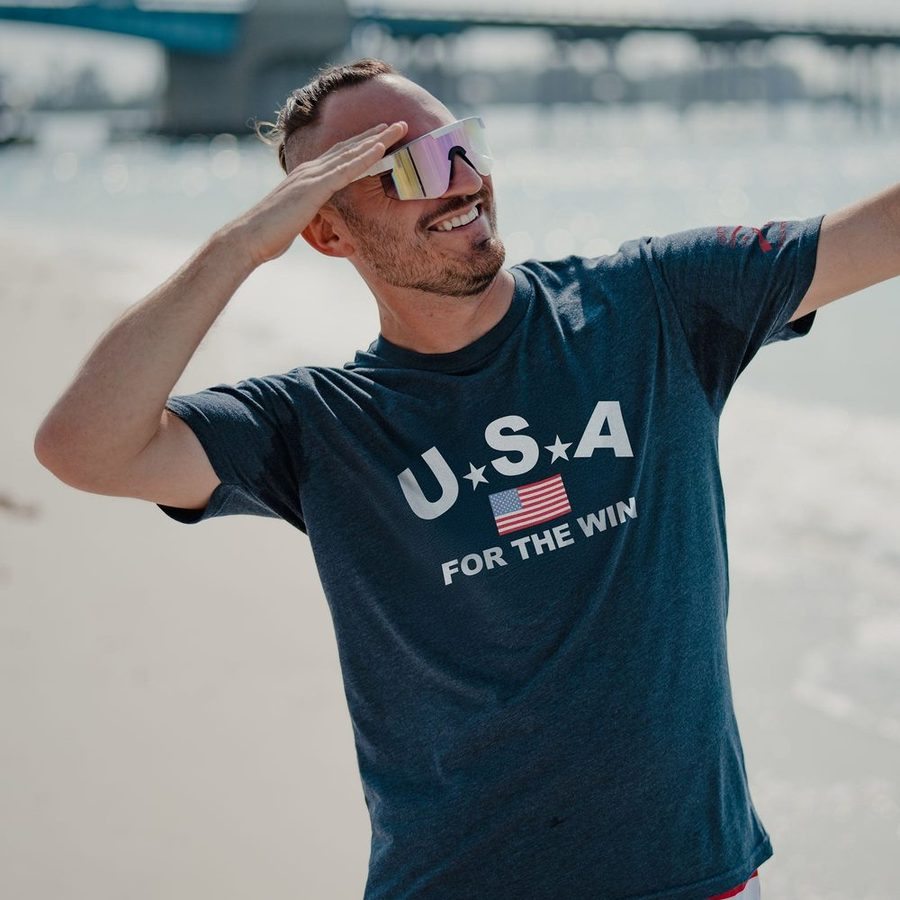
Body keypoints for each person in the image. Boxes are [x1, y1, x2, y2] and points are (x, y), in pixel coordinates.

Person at [33, 57, 898, 899]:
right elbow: (84, 446)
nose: (456, 182)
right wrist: (240, 246)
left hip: (693, 876)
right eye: (401, 169)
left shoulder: (653, 304)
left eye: (459, 146)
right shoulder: (321, 425)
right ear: (325, 230)